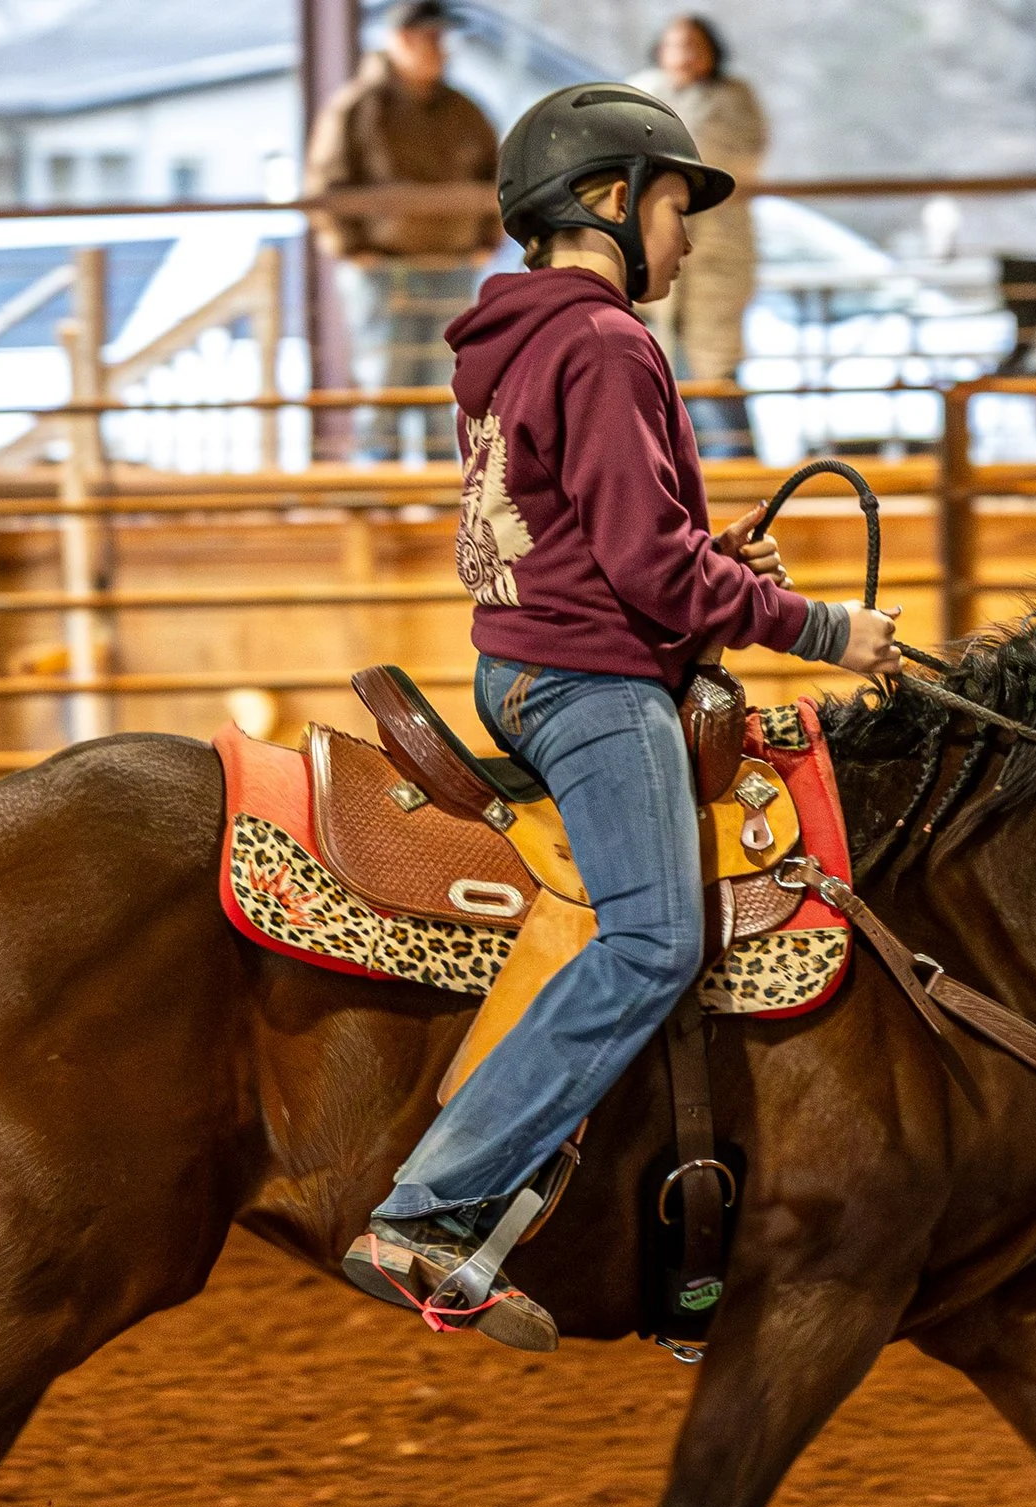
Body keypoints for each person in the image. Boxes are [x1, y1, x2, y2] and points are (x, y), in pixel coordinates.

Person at [343, 82, 902, 1350]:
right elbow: (644, 573)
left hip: (533, 657)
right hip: (589, 683)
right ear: (608, 201)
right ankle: (433, 1208)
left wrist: (706, 559)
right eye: (673, 203)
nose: (688, 236)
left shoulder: (517, 338)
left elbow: (592, 535)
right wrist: (823, 629)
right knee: (654, 943)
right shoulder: (604, 342)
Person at [302, 0, 501, 464]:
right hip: (382, 269)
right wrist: (350, 248)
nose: (440, 50)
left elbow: (495, 178)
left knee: (444, 385)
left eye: (440, 40)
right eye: (430, 39)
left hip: (451, 266)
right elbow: (324, 186)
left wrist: (486, 240)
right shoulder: (357, 107)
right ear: (401, 40)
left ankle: (438, 498)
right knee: (383, 384)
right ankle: (381, 502)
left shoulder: (465, 111)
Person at [629, 16, 769, 457]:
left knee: (715, 371)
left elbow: (729, 157)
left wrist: (663, 163)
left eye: (695, 44)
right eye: (676, 43)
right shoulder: (637, 93)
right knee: (663, 372)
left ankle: (739, 479)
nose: (686, 53)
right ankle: (683, 483)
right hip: (654, 247)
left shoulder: (735, 100)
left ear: (713, 50)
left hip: (716, 252)